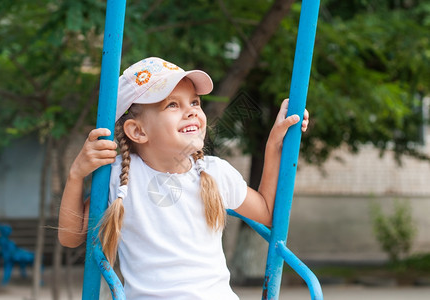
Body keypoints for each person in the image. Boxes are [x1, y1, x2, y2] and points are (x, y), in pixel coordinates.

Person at [58, 57, 309, 299]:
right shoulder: (121, 179)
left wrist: (274, 145)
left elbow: (266, 212)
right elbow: (70, 237)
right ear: (137, 130)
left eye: (195, 103)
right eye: (172, 105)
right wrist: (76, 174)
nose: (191, 112)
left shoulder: (215, 173)